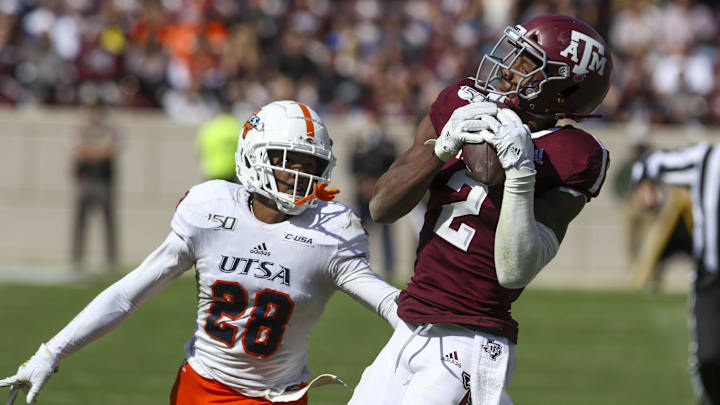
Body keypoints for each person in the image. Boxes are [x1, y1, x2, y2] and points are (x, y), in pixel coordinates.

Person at [0, 100, 400, 405]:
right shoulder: (211, 209)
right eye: (286, 161)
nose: (299, 175)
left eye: (309, 164)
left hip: (283, 396)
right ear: (254, 154)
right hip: (201, 389)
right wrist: (51, 351)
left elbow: (389, 304)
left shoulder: (330, 230)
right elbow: (128, 293)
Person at [348, 14, 613, 405]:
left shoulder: (573, 154)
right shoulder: (462, 101)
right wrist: (440, 150)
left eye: (527, 61)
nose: (506, 66)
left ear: (563, 88)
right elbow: (382, 206)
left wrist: (521, 173)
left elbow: (515, 270)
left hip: (470, 340)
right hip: (410, 327)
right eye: (515, 51)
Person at [631, 143, 720, 405]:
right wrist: (645, 184)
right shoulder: (706, 159)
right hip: (711, 281)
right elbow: (648, 162)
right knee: (708, 359)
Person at [71, 102, 121, 272]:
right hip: (85, 180)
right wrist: (95, 152)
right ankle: (77, 259)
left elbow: (110, 150)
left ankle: (111, 260)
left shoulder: (109, 130)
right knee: (80, 221)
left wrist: (90, 152)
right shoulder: (80, 130)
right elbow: (76, 151)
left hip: (103, 180)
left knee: (108, 221)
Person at [350, 111, 398, 279]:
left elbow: (393, 167)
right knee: (361, 230)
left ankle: (389, 266)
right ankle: (358, 263)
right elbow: (353, 167)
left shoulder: (388, 144)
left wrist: (378, 185)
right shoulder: (359, 143)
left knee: (386, 232)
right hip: (363, 195)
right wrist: (363, 183)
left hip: (382, 193)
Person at [196, 105, 243, 182]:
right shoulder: (237, 126)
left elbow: (199, 150)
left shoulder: (208, 128)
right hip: (232, 171)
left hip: (212, 171)